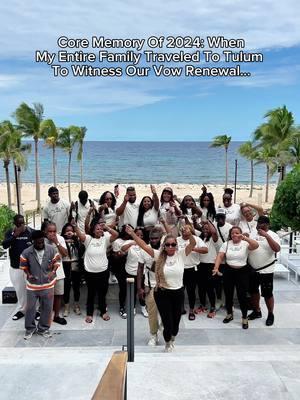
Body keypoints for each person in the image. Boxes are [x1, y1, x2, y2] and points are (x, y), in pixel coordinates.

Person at [126, 225, 196, 352]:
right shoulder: (158, 255)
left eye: (173, 244)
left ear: (176, 245)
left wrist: (189, 233)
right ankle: (166, 341)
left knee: (176, 323)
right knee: (167, 320)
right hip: (162, 291)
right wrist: (132, 234)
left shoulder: (181, 254)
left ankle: (172, 338)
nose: (170, 247)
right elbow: (143, 245)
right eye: (168, 245)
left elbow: (193, 243)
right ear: (164, 246)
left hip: (178, 292)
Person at [213, 226, 259, 329]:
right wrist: (216, 268)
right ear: (230, 235)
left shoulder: (245, 243)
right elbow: (220, 256)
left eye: (237, 232)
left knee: (242, 295)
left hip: (242, 272)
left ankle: (244, 318)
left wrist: (244, 238)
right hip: (229, 271)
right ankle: (229, 314)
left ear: (241, 233)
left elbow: (256, 245)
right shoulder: (226, 244)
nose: (234, 234)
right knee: (228, 294)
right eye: (232, 233)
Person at [73, 219, 118, 323]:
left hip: (103, 271)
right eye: (97, 229)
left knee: (102, 293)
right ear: (93, 231)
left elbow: (116, 234)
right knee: (91, 293)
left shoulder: (105, 239)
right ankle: (89, 313)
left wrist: (106, 227)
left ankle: (103, 311)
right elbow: (80, 235)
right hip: (90, 272)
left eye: (101, 229)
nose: (100, 230)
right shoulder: (88, 239)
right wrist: (75, 226)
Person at [20, 230, 60, 339]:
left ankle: (43, 329)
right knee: (30, 309)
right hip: (32, 287)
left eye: (42, 242)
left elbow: (57, 262)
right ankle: (30, 329)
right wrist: (28, 274)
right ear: (33, 241)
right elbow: (23, 266)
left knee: (47, 308)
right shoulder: (26, 252)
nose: (40, 244)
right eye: (38, 243)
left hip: (48, 285)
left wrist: (52, 272)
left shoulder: (51, 249)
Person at [248, 216, 281, 326]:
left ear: (267, 225)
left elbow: (276, 249)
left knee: (267, 293)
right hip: (253, 269)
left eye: (262, 223)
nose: (259, 225)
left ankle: (270, 314)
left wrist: (266, 236)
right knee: (253, 291)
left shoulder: (273, 235)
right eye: (258, 222)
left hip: (266, 270)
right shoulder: (253, 232)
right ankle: (257, 311)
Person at [2, 214, 33, 320]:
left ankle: (36, 310)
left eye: (23, 223)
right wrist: (15, 235)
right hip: (16, 267)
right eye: (19, 223)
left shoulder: (30, 231)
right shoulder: (10, 232)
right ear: (14, 223)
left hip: (30, 268)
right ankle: (22, 310)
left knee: (33, 290)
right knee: (20, 291)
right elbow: (4, 245)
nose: (21, 225)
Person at [137, 227, 164, 345]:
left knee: (165, 311)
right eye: (151, 238)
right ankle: (153, 335)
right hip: (149, 284)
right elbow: (140, 269)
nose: (153, 240)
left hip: (164, 284)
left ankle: (163, 326)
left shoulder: (166, 248)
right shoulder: (144, 249)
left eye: (156, 238)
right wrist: (139, 287)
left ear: (160, 238)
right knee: (152, 313)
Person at [177, 225, 208, 320]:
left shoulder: (196, 239)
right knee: (180, 290)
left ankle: (191, 309)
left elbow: (205, 250)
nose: (184, 230)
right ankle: (181, 308)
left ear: (191, 230)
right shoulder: (177, 239)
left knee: (191, 291)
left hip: (192, 269)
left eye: (186, 229)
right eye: (183, 228)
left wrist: (192, 248)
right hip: (180, 268)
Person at [44, 223, 68, 325]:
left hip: (59, 272)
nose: (52, 233)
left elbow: (65, 253)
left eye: (54, 231)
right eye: (50, 231)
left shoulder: (60, 238)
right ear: (45, 231)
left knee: (58, 295)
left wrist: (56, 242)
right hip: (46, 272)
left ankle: (57, 316)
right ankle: (46, 316)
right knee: (46, 296)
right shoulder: (42, 240)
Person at [121, 227, 148, 317]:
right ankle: (132, 308)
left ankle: (143, 308)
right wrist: (132, 243)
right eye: (137, 235)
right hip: (130, 272)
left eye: (141, 235)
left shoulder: (145, 244)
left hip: (142, 273)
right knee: (131, 292)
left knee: (142, 292)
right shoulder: (129, 242)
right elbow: (123, 249)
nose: (139, 236)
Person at [197, 221, 219, 318]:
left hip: (210, 265)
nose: (206, 230)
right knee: (201, 287)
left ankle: (213, 307)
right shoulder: (201, 238)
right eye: (204, 228)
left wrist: (208, 222)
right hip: (200, 265)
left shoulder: (214, 239)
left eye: (208, 228)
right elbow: (192, 230)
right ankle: (202, 305)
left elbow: (214, 232)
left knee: (210, 288)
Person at [110, 225, 132, 318]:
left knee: (131, 289)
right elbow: (115, 256)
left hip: (132, 267)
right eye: (126, 230)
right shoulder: (117, 241)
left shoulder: (133, 240)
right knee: (123, 288)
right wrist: (122, 254)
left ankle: (132, 306)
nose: (128, 231)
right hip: (121, 268)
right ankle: (122, 307)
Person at [61, 223, 82, 316]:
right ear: (64, 232)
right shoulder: (61, 241)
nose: (69, 232)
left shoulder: (77, 241)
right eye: (67, 231)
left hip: (76, 265)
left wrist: (76, 239)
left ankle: (76, 305)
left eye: (71, 230)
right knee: (66, 287)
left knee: (76, 287)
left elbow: (81, 252)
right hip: (65, 265)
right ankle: (66, 307)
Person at [213, 208, 232, 309]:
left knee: (228, 283)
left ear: (225, 217)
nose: (220, 219)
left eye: (222, 217)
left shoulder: (230, 227)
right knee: (217, 282)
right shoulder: (213, 226)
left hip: (228, 260)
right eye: (218, 217)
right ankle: (219, 300)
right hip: (217, 260)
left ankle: (229, 302)